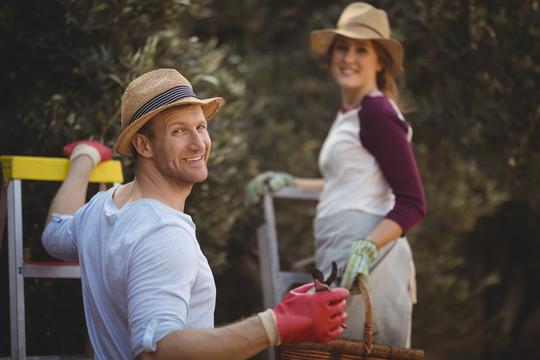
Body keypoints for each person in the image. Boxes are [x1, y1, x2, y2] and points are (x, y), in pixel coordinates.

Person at [42, 68, 349, 360]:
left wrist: (85, 157)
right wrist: (276, 324)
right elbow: (157, 351)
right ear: (143, 145)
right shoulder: (163, 233)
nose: (198, 143)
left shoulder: (101, 208)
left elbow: (54, 235)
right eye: (179, 131)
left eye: (201, 127)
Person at [245, 2, 426, 348]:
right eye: (342, 47)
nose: (348, 57)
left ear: (381, 62)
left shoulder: (375, 112)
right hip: (344, 246)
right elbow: (350, 183)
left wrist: (368, 247)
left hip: (370, 254)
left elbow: (414, 203)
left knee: (358, 350)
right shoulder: (353, 113)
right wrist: (290, 182)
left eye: (361, 49)